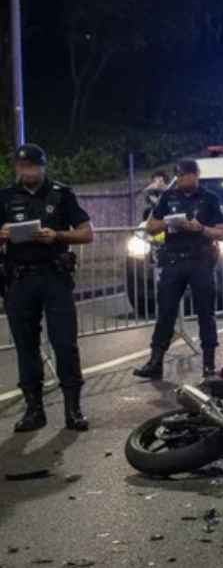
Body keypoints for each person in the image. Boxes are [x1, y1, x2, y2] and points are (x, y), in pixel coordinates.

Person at [0, 144, 95, 432]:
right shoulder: (5, 196)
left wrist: (57, 235)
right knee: (26, 346)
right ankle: (34, 411)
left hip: (55, 277)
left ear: (43, 166)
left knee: (65, 343)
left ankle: (73, 410)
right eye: (22, 167)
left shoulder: (61, 194)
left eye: (32, 166)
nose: (27, 172)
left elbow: (87, 233)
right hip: (19, 279)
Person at [133, 160, 223, 379]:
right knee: (165, 312)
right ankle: (155, 362)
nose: (181, 179)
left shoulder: (210, 198)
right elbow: (150, 226)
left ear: (196, 174)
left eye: (185, 175)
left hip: (200, 261)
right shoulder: (168, 197)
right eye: (178, 175)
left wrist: (201, 228)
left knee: (206, 312)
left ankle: (208, 365)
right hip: (173, 262)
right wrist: (168, 223)